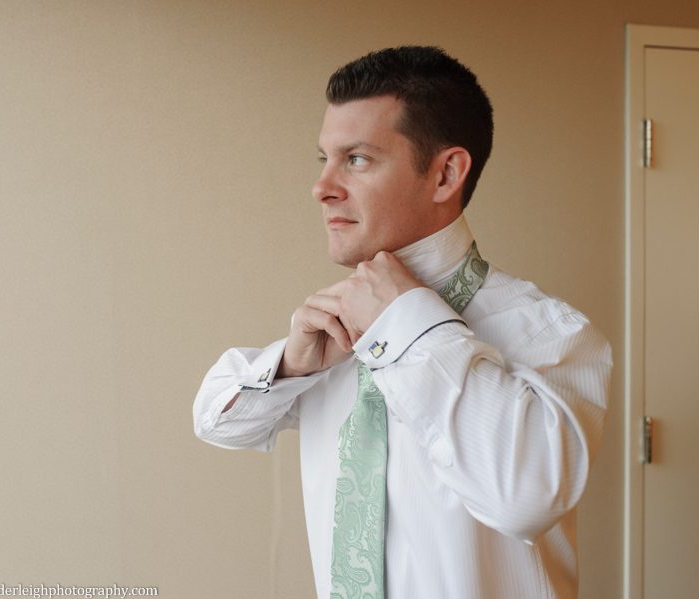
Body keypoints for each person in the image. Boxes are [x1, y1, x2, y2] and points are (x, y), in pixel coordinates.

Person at [194, 46, 611, 599]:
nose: (322, 188)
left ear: (445, 174)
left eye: (358, 159)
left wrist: (411, 323)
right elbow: (219, 422)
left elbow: (524, 497)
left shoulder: (550, 333)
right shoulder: (339, 332)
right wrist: (292, 367)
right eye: (324, 158)